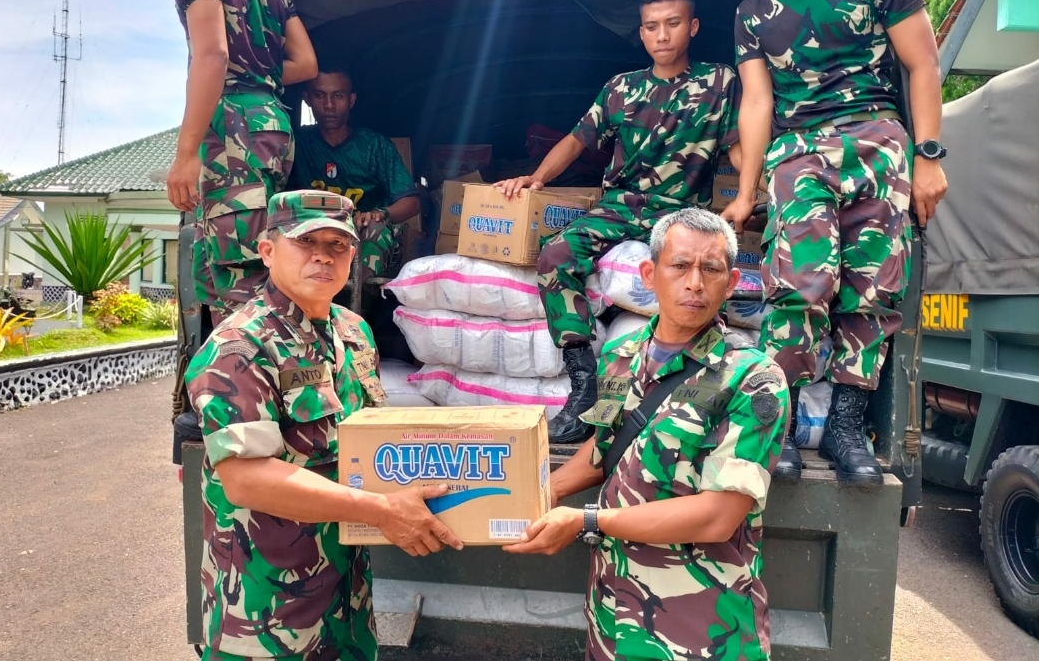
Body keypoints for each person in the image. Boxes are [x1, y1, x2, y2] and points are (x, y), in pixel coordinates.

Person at [724, 0, 947, 486]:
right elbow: (756, 104)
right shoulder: (752, 13)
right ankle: (787, 425)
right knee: (799, 283)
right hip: (798, 149)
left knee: (872, 289)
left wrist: (928, 157)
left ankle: (848, 427)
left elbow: (923, 64)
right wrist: (745, 195)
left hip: (879, 140)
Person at [184, 190, 463, 661]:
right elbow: (246, 479)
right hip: (265, 610)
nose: (323, 256)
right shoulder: (239, 348)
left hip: (346, 595)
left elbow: (368, 442)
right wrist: (383, 510)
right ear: (268, 250)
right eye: (306, 241)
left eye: (338, 244)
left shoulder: (354, 332)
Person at [505, 208, 789, 661]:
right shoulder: (621, 354)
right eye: (679, 265)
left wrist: (586, 521)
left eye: (710, 269)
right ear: (649, 274)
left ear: (731, 282)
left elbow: (719, 515)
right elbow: (602, 451)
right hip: (613, 614)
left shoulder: (754, 378)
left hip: (700, 628)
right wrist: (526, 497)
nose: (695, 282)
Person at [495, 0, 740, 444]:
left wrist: (750, 192)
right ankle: (583, 378)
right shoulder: (621, 89)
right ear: (642, 34)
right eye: (651, 27)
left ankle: (701, 386)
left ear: (693, 27)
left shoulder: (719, 82)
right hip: (622, 206)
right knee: (556, 256)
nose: (662, 35)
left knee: (696, 278)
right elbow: (576, 140)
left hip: (682, 213)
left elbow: (737, 145)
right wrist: (538, 178)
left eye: (672, 24)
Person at [159, 0, 318, 318]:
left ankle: (255, 386)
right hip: (272, 124)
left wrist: (186, 152)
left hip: (233, 132)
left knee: (242, 283)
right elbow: (306, 63)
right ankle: (226, 384)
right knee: (229, 271)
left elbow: (212, 57)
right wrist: (261, 75)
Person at [286, 65, 420, 282]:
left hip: (360, 231)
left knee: (376, 230)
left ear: (351, 100)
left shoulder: (374, 145)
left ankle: (358, 307)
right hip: (311, 228)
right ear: (307, 99)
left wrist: (381, 214)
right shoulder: (295, 144)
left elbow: (411, 203)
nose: (329, 105)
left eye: (338, 96)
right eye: (320, 95)